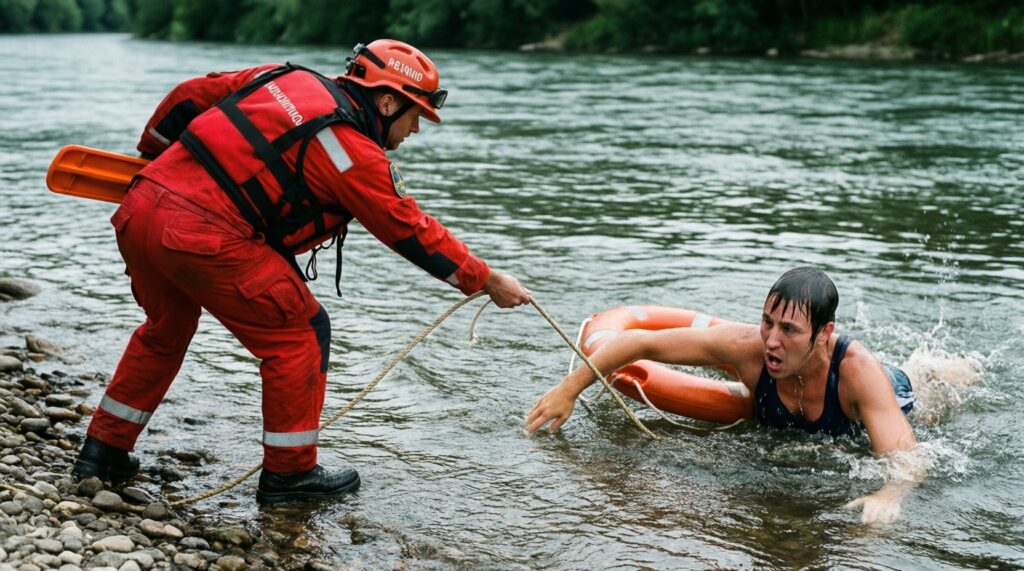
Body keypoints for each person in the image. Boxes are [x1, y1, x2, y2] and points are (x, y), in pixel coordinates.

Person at [71, 39, 531, 504]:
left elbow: (190, 94)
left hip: (140, 206)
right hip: (202, 236)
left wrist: (156, 154)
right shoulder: (351, 152)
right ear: (387, 101)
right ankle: (290, 476)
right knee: (301, 335)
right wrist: (487, 280)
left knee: (164, 332)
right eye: (416, 116)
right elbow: (409, 230)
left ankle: (102, 452)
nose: (415, 130)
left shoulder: (281, 77)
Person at [526, 266, 925, 524]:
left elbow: (907, 457)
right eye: (767, 321)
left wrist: (888, 494)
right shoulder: (746, 347)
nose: (771, 340)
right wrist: (568, 390)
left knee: (932, 392)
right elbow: (638, 342)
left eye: (789, 330)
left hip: (893, 391)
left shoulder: (857, 372)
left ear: (823, 333)